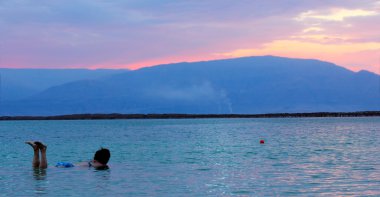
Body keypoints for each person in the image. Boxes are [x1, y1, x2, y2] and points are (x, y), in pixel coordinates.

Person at [25, 141, 110, 170]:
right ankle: (42, 151)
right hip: (68, 167)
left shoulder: (92, 161)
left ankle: (36, 150)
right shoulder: (100, 165)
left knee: (36, 169)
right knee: (43, 170)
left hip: (68, 164)